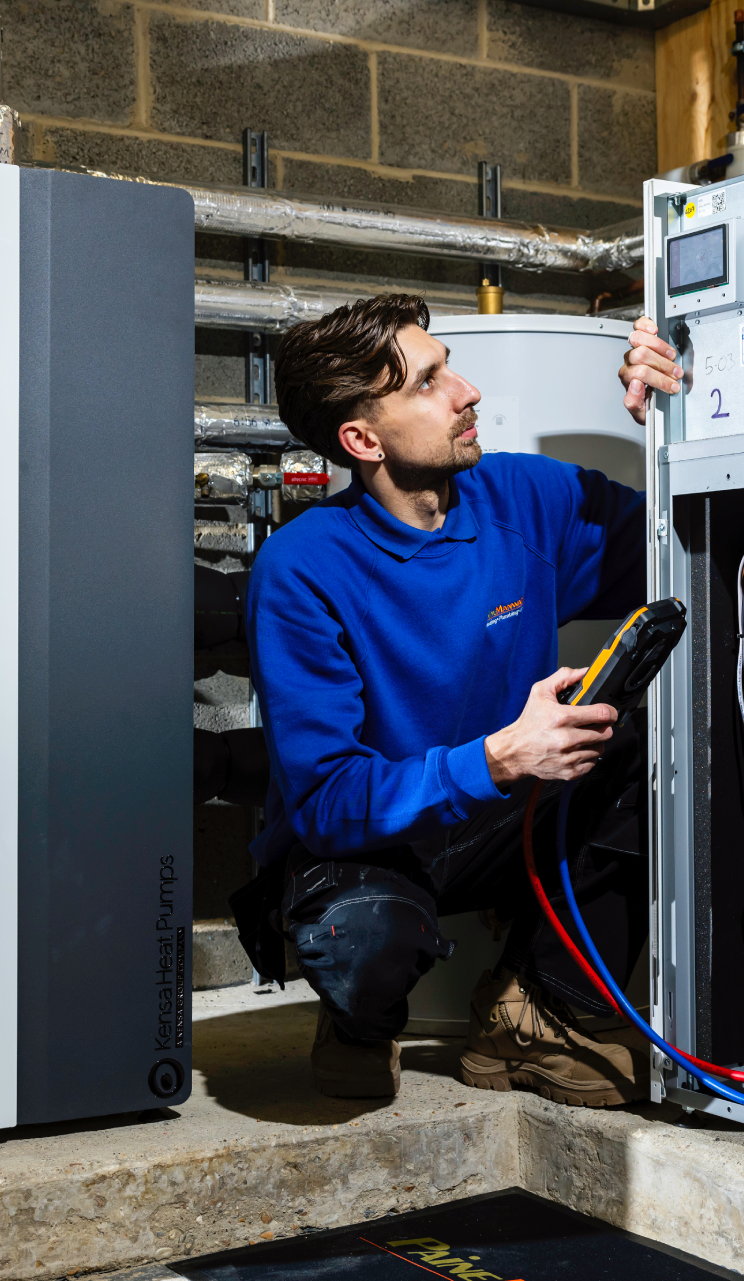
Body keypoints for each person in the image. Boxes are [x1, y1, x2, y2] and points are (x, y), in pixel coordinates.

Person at [231, 294, 685, 1105]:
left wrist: (680, 418)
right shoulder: (302, 569)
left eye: (450, 366)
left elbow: (687, 544)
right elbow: (328, 799)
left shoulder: (524, 501)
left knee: (657, 749)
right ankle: (361, 1022)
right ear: (362, 440)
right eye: (431, 381)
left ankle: (538, 1009)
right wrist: (498, 756)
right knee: (362, 934)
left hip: (502, 821)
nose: (467, 390)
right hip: (370, 845)